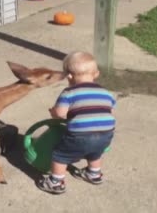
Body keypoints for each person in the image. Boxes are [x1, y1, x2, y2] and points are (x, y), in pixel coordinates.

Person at [37, 51, 116, 194]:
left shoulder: (69, 92)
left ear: (69, 76)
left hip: (80, 135)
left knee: (60, 155)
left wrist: (53, 112)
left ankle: (55, 182)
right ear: (96, 74)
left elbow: (60, 114)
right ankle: (94, 174)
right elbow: (110, 112)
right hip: (106, 134)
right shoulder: (106, 92)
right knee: (95, 152)